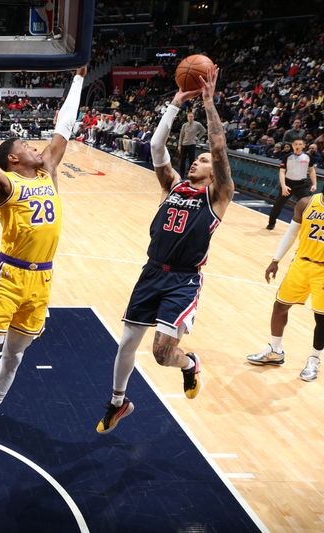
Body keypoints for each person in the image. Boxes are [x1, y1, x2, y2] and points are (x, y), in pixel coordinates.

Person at [0, 66, 86, 473]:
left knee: (14, 356)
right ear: (14, 157)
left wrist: (78, 79)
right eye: (29, 145)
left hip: (43, 277)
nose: (37, 148)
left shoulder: (47, 171)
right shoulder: (6, 182)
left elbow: (65, 126)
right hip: (9, 275)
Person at [96, 66, 233, 434]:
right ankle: (117, 402)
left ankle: (188, 364)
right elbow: (156, 147)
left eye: (202, 160)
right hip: (152, 271)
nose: (198, 161)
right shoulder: (171, 184)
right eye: (197, 158)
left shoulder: (217, 196)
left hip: (183, 281)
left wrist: (208, 104)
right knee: (126, 341)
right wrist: (174, 103)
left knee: (161, 355)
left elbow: (219, 147)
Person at [246, 191, 324, 381]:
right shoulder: (306, 203)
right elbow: (291, 233)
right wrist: (276, 260)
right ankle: (275, 350)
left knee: (321, 319)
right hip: (301, 264)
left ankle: (314, 360)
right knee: (280, 306)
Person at [266, 139, 317, 230]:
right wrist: (284, 186)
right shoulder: (287, 157)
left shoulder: (308, 157)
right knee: (278, 205)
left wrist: (314, 184)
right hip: (288, 184)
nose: (298, 146)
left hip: (302, 185)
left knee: (308, 206)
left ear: (304, 146)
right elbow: (282, 172)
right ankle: (271, 223)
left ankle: (307, 227)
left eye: (300, 144)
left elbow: (312, 170)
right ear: (293, 146)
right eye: (296, 144)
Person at [178, 111, 206, 178]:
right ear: (187, 117)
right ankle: (181, 175)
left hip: (192, 144)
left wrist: (198, 137)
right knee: (182, 160)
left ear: (193, 117)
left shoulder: (197, 124)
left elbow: (203, 130)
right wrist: (179, 145)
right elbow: (181, 136)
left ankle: (190, 175)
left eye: (192, 116)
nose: (190, 118)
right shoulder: (184, 125)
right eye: (189, 116)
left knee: (191, 160)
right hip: (184, 144)